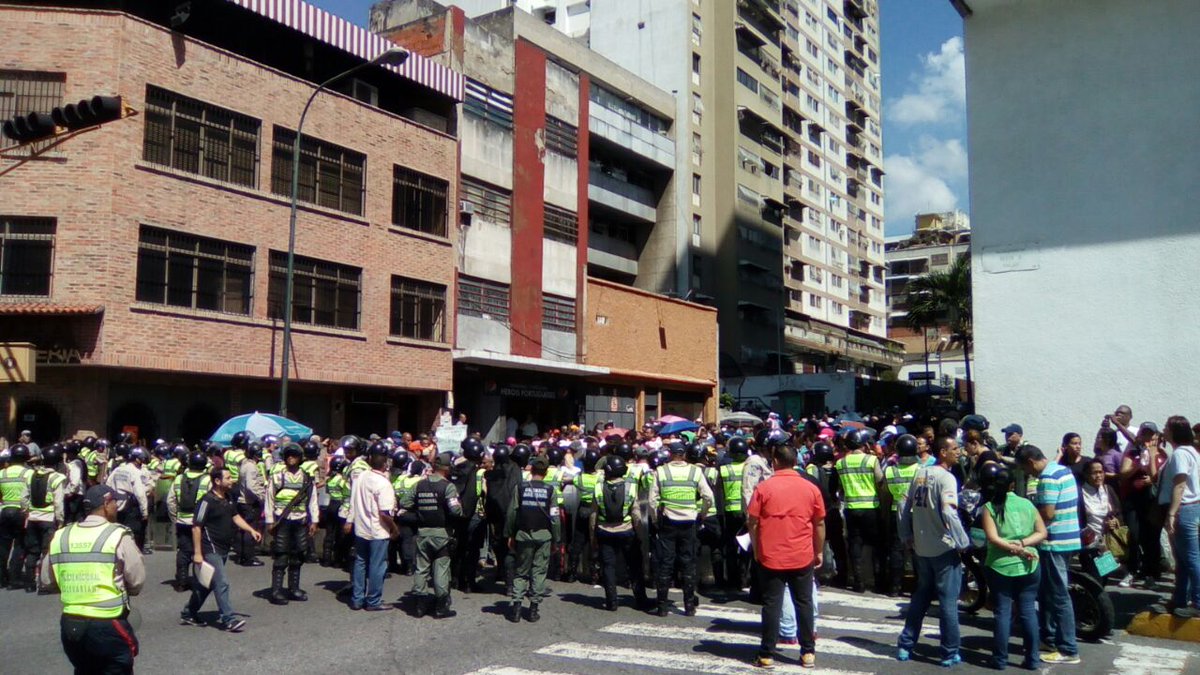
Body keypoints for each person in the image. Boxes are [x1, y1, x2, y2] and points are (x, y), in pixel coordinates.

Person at [41, 485, 145, 675]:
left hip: (71, 625)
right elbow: (136, 580)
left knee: (84, 669)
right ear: (106, 504)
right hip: (108, 623)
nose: (117, 506)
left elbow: (47, 580)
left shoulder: (61, 536)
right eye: (115, 502)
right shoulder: (117, 535)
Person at [748, 445, 825, 670]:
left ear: (775, 462)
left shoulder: (764, 487)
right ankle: (808, 652)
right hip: (802, 554)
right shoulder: (810, 488)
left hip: (771, 554)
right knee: (804, 603)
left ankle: (766, 655)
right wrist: (818, 550)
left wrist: (756, 545)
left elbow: (752, 520)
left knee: (772, 604)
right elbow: (819, 523)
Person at [897, 435, 970, 668]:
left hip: (921, 547)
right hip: (943, 548)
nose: (958, 452)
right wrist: (963, 542)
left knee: (921, 596)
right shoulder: (947, 478)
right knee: (948, 602)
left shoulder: (919, 474)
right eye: (954, 449)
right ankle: (949, 652)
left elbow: (902, 506)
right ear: (942, 452)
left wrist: (906, 535)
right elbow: (949, 512)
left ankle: (905, 645)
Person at [1015, 444, 1081, 664]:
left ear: (1031, 462)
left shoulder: (1048, 478)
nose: (1028, 474)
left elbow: (1048, 513)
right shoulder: (1063, 470)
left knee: (1059, 595)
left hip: (1055, 541)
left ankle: (1068, 648)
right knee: (1048, 592)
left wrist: (1030, 516)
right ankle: (1049, 638)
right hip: (1068, 537)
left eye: (1026, 469)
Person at [978, 463, 1046, 671]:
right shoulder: (1027, 504)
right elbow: (1042, 532)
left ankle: (1000, 660)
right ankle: (1032, 658)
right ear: (1013, 485)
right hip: (1029, 564)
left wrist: (1013, 548)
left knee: (1003, 612)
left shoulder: (989, 507)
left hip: (1000, 566)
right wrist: (1023, 546)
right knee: (1027, 611)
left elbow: (992, 538)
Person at [180, 466, 261, 632]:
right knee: (222, 582)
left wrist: (251, 530)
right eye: (228, 478)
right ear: (217, 481)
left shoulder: (228, 498)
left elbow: (235, 516)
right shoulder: (206, 501)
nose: (232, 480)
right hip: (211, 549)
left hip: (223, 548)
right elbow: (196, 527)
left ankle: (189, 612)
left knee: (207, 583)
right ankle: (228, 619)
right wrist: (197, 553)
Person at [648, 441, 714, 617]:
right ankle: (689, 606)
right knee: (688, 563)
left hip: (668, 522)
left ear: (670, 454)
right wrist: (703, 514)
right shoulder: (695, 471)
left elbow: (652, 501)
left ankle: (662, 607)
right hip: (689, 522)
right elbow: (709, 497)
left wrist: (655, 520)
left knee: (666, 563)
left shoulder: (661, 471)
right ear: (684, 454)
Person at [401, 452, 462, 618]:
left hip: (422, 533)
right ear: (447, 468)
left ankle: (419, 605)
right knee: (441, 568)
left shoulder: (420, 485)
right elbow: (455, 510)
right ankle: (441, 606)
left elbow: (405, 502)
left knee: (421, 568)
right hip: (441, 534)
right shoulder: (448, 486)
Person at [505, 456, 562, 623]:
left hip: (523, 535)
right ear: (546, 472)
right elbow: (555, 518)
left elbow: (512, 513)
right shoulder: (551, 491)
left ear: (532, 470)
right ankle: (533, 609)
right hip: (544, 536)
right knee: (539, 572)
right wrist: (557, 539)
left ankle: (516, 607)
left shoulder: (520, 488)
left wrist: (509, 534)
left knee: (521, 572)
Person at [263, 443, 320, 606]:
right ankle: (276, 591)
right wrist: (269, 520)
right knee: (281, 555)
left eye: (294, 456)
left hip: (300, 521)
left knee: (298, 554)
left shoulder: (307, 478)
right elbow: (269, 499)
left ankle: (294, 588)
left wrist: (314, 520)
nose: (290, 458)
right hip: (282, 521)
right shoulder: (278, 476)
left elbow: (313, 500)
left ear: (300, 458)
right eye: (288, 455)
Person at [346, 442, 398, 611]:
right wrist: (394, 528)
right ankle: (373, 601)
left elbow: (352, 501)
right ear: (386, 463)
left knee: (360, 563)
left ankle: (357, 599)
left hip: (361, 529)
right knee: (377, 566)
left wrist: (350, 520)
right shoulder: (383, 483)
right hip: (378, 531)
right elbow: (385, 513)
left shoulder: (360, 477)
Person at [590, 455, 646, 610]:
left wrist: (593, 536)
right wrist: (640, 535)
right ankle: (641, 599)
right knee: (634, 565)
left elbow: (593, 515)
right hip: (626, 531)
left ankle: (611, 602)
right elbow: (636, 514)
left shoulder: (599, 487)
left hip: (604, 532)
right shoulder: (630, 487)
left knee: (608, 566)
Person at [834, 428, 884, 593]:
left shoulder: (841, 462)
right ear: (863, 444)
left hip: (851, 509)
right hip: (871, 508)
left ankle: (858, 582)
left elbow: (840, 488)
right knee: (876, 546)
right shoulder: (871, 460)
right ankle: (878, 581)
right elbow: (880, 481)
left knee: (854, 544)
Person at [1161, 416, 1200, 618]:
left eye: (1166, 427)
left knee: (1191, 557)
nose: (1163, 430)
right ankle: (1180, 599)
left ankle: (1198, 602)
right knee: (1184, 559)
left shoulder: (1180, 454)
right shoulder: (1192, 451)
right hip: (1193, 508)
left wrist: (1172, 513)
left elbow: (1180, 484)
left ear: (1174, 431)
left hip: (1184, 508)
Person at [1118, 422, 1166, 588]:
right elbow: (1122, 474)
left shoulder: (1162, 455)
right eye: (1144, 433)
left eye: (1150, 434)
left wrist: (1151, 480)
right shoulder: (1132, 453)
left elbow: (1163, 479)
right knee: (1134, 534)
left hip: (1152, 502)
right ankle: (1132, 570)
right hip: (1133, 500)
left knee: (1151, 537)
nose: (1147, 437)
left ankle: (1151, 573)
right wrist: (1138, 465)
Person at [882, 434, 921, 597]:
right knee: (918, 550)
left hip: (895, 512)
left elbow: (885, 494)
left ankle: (895, 587)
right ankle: (919, 587)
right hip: (917, 513)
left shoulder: (890, 470)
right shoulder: (921, 470)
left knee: (896, 551)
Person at [24, 444, 66, 592]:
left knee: (32, 551)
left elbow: (24, 498)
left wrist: (27, 513)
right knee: (47, 551)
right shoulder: (57, 478)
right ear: (57, 462)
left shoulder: (30, 475)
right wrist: (60, 520)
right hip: (48, 519)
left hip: (32, 518)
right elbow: (58, 502)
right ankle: (45, 582)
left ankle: (29, 583)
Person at [167, 451, 211, 592]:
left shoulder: (179, 478)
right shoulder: (207, 479)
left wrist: (175, 517)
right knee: (201, 551)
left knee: (184, 551)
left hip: (182, 520)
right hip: (200, 522)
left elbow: (170, 501)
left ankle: (182, 581)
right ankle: (202, 581)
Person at [1077, 459, 1123, 581]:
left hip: (1106, 544)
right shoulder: (1079, 493)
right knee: (1094, 579)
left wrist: (1115, 521)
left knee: (1104, 578)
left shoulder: (1108, 490)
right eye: (1094, 473)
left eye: (1101, 472)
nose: (1099, 476)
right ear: (1086, 475)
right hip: (1089, 545)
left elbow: (1119, 513)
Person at [719, 436, 750, 591]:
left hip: (731, 513)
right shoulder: (751, 468)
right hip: (748, 513)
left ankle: (732, 579)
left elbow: (720, 494)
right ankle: (746, 578)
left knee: (730, 548)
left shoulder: (724, 469)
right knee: (747, 547)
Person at [0, 443, 32, 588]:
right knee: (20, 544)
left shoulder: (2, 473)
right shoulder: (29, 473)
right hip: (21, 512)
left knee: (4, 545)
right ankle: (14, 578)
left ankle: (1, 578)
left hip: (5, 510)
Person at [236, 441, 266, 567]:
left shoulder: (244, 464)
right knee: (250, 530)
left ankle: (242, 555)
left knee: (244, 530)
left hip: (243, 502)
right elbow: (251, 486)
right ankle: (249, 557)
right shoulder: (251, 467)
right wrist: (262, 497)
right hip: (249, 502)